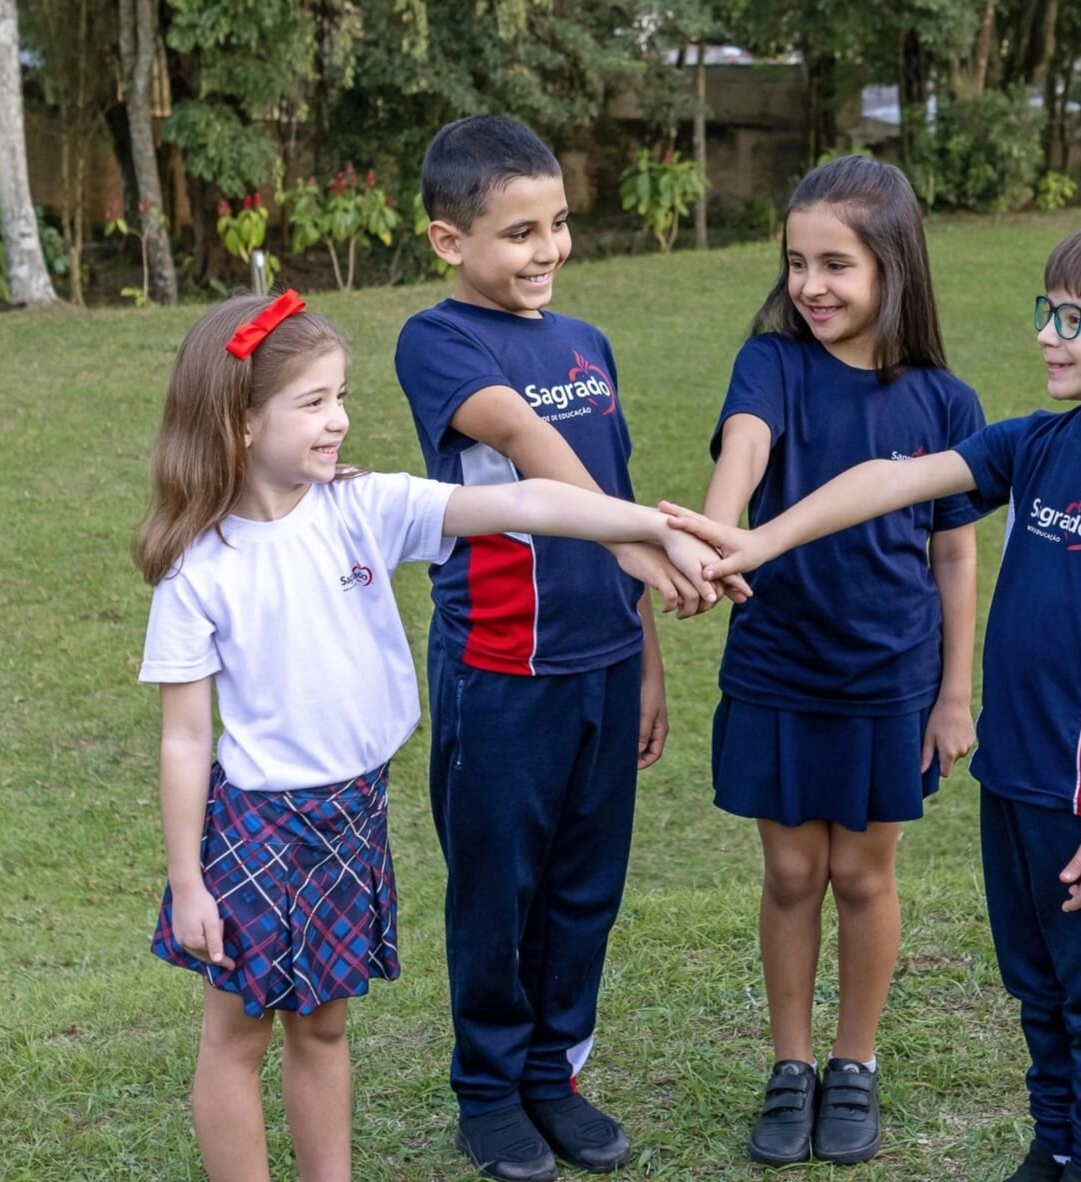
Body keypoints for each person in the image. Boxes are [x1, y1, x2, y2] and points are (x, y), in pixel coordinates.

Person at [664, 212, 1081, 1182]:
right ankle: (1053, 1147)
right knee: (1035, 986)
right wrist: (759, 541)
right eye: (1045, 310)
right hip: (1012, 783)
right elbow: (894, 481)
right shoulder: (1037, 446)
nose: (1045, 334)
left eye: (1072, 318)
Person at [135, 291, 722, 1182]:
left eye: (342, 397)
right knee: (237, 1034)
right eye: (313, 403)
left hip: (352, 813)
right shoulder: (198, 566)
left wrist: (648, 528)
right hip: (255, 828)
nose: (338, 422)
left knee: (326, 1023)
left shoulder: (364, 506)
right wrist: (188, 884)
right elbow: (184, 741)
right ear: (240, 421)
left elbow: (531, 500)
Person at [393, 115, 742, 1182]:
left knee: (586, 889)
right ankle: (489, 1094)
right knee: (498, 891)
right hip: (501, 672)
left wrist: (644, 662)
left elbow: (607, 476)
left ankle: (555, 1074)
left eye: (558, 225)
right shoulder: (440, 340)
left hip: (600, 664)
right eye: (518, 233)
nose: (547, 251)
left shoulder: (587, 344)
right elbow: (527, 446)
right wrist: (645, 538)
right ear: (452, 242)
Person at [697, 155, 987, 1167]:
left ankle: (853, 1065)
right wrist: (717, 533)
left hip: (891, 678)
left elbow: (955, 552)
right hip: (779, 661)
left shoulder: (947, 403)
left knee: (863, 876)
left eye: (837, 264)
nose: (811, 285)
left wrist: (956, 695)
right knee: (789, 869)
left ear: (892, 267)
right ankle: (790, 1065)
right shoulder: (770, 364)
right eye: (796, 262)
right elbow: (744, 447)